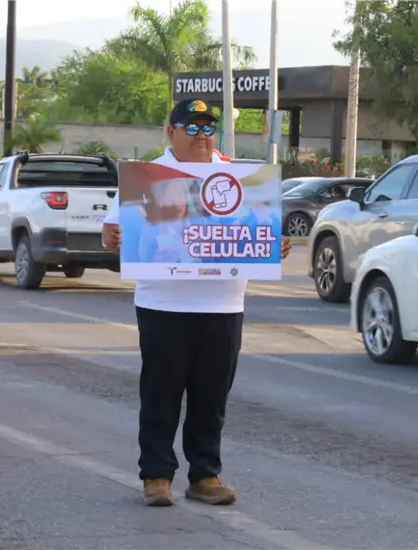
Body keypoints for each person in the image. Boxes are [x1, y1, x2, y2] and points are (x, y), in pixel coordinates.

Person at [102, 98, 292, 507]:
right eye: (192, 128)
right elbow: (114, 230)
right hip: (163, 305)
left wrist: (274, 246)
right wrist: (113, 238)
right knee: (161, 393)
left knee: (211, 397)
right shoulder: (147, 176)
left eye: (209, 129)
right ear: (170, 132)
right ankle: (156, 475)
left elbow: (260, 231)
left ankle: (205, 475)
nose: (202, 137)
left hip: (223, 306)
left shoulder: (239, 177)